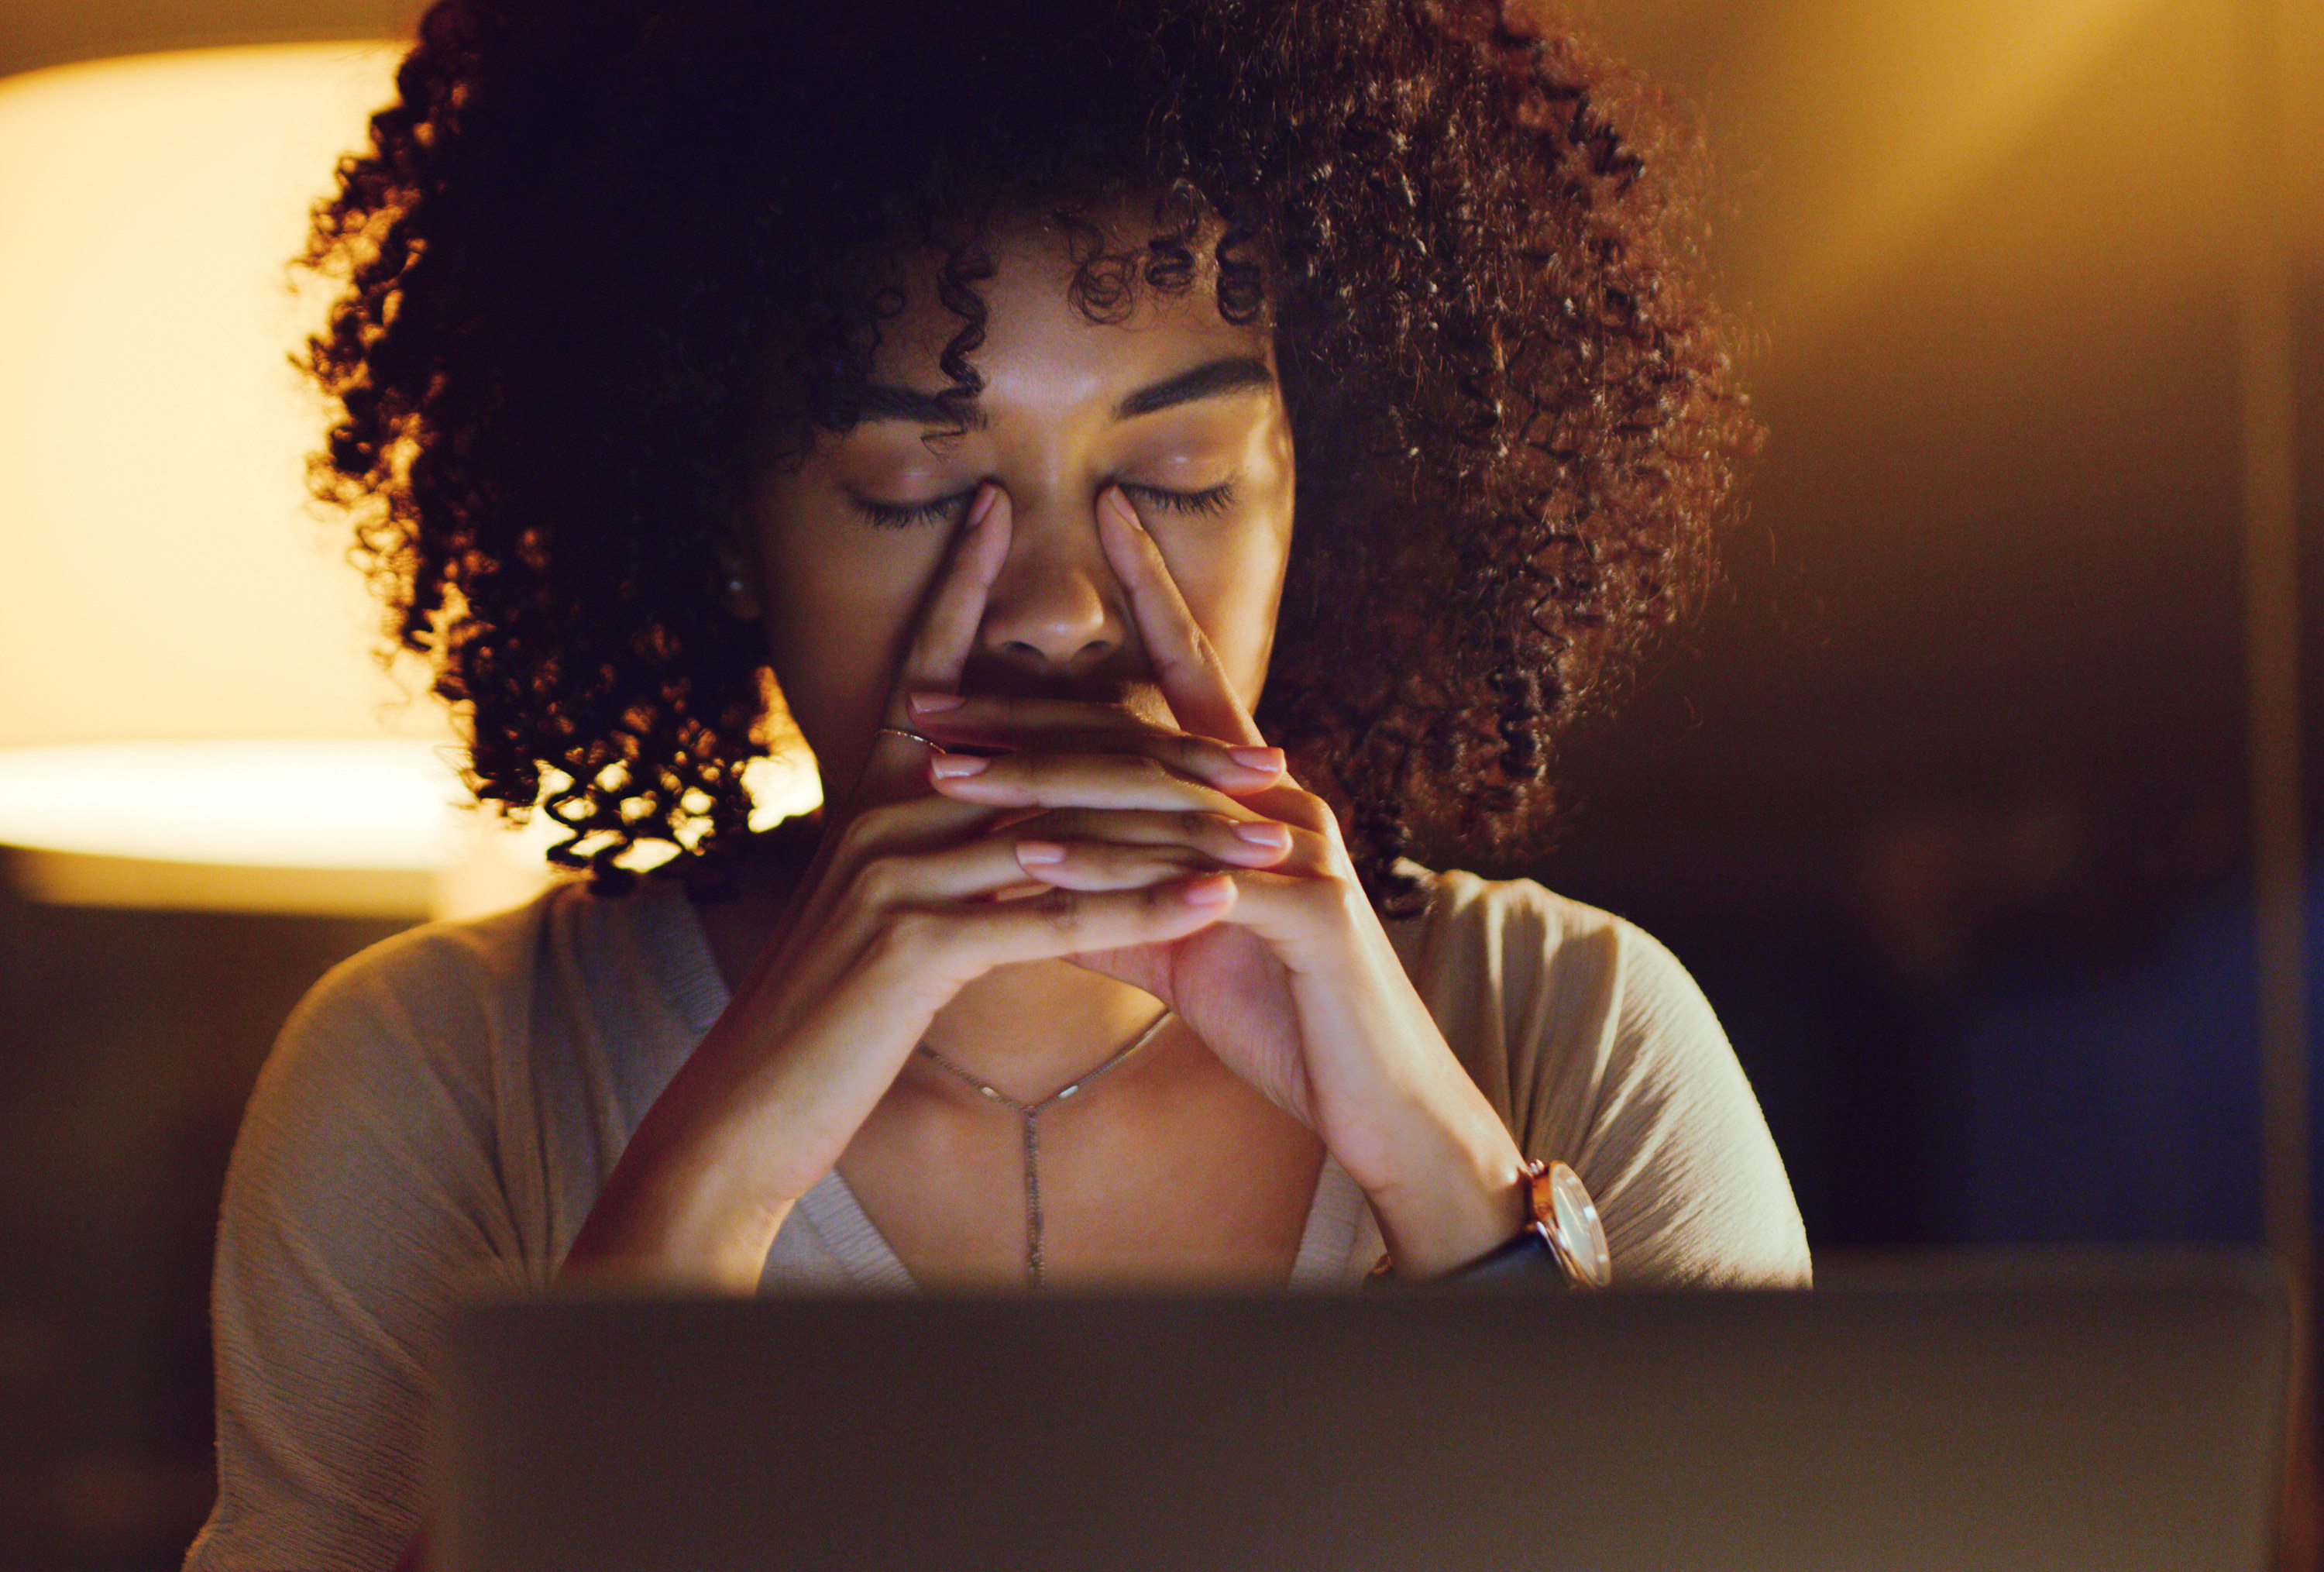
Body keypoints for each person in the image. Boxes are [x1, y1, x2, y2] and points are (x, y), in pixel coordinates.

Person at [185, 0, 1811, 1567]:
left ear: (1327, 493)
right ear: (721, 532)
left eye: (1177, 477)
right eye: (914, 488)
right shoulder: (445, 1074)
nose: (1055, 606)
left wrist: (1452, 1186)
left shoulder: (1569, 1026)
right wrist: (710, 1180)